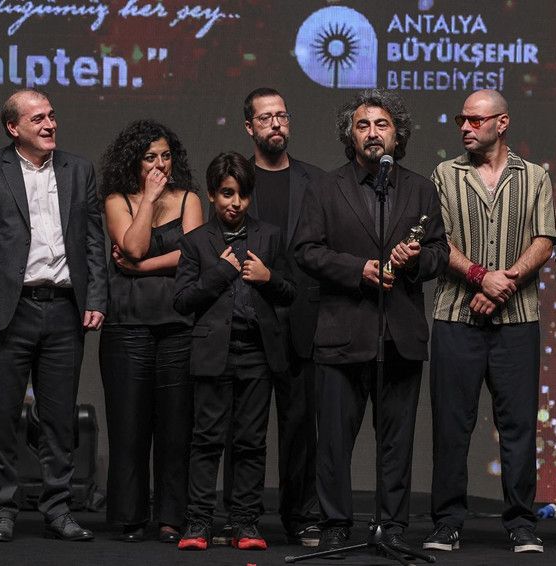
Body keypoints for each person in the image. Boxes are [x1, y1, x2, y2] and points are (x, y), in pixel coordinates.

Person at [294, 89, 448, 554]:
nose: (373, 133)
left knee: (397, 442)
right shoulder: (325, 187)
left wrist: (416, 260)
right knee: (334, 441)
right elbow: (306, 251)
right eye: (363, 125)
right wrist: (358, 269)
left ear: (398, 136)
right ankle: (335, 524)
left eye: (382, 125)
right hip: (341, 332)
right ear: (350, 136)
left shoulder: (421, 188)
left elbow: (439, 253)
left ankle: (392, 527)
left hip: (400, 334)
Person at [0, 88, 107, 542]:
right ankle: (2, 510)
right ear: (13, 128)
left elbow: (94, 240)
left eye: (52, 116)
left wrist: (96, 297)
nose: (50, 124)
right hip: (10, 310)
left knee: (59, 419)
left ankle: (58, 509)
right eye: (38, 118)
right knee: (2, 417)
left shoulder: (79, 170)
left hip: (64, 309)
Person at [424, 89, 556, 554]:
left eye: (475, 120)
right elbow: (438, 241)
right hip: (455, 316)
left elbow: (545, 239)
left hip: (517, 320)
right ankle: (447, 523)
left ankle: (521, 524)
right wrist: (482, 278)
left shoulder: (535, 176)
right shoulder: (445, 174)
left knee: (518, 427)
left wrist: (506, 283)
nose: (465, 127)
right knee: (451, 426)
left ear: (502, 123)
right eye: (461, 120)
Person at [174, 152, 296, 551]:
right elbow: (182, 300)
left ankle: (245, 522)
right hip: (214, 352)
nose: (235, 203)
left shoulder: (269, 236)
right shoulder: (195, 241)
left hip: (257, 352)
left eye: (242, 195)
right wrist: (221, 273)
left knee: (250, 441)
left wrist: (268, 277)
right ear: (212, 195)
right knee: (207, 439)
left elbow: (290, 291)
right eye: (227, 194)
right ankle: (198, 522)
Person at [98, 120, 204, 543]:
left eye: (165, 156)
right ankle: (130, 516)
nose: (160, 165)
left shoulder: (190, 199)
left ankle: (171, 517)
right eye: (150, 158)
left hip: (179, 325)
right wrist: (148, 200)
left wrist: (139, 268)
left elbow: (194, 255)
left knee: (176, 427)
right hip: (127, 327)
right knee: (129, 425)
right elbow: (135, 243)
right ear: (134, 162)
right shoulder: (116, 200)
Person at [242, 87, 324, 546]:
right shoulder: (234, 179)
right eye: (265, 117)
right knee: (244, 429)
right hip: (247, 320)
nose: (276, 123)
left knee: (300, 428)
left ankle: (301, 516)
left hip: (301, 321)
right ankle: (242, 516)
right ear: (249, 127)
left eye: (282, 115)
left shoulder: (316, 181)